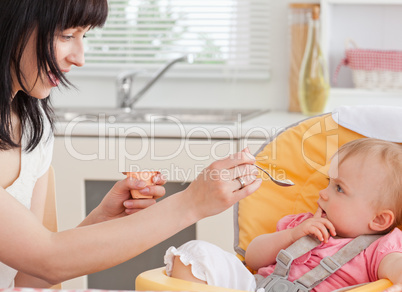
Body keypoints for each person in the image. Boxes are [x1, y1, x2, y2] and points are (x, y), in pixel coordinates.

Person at [0, 0, 262, 288]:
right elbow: (46, 261)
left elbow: (28, 276)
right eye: (66, 35)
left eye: (83, 36)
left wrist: (105, 219)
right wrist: (193, 202)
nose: (79, 58)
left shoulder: (34, 127)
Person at [165, 138, 402, 292]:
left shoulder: (380, 248)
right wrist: (291, 235)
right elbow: (253, 259)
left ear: (379, 220)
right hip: (258, 288)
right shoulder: (301, 223)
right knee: (194, 253)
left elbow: (397, 266)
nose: (323, 192)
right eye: (328, 183)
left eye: (339, 188)